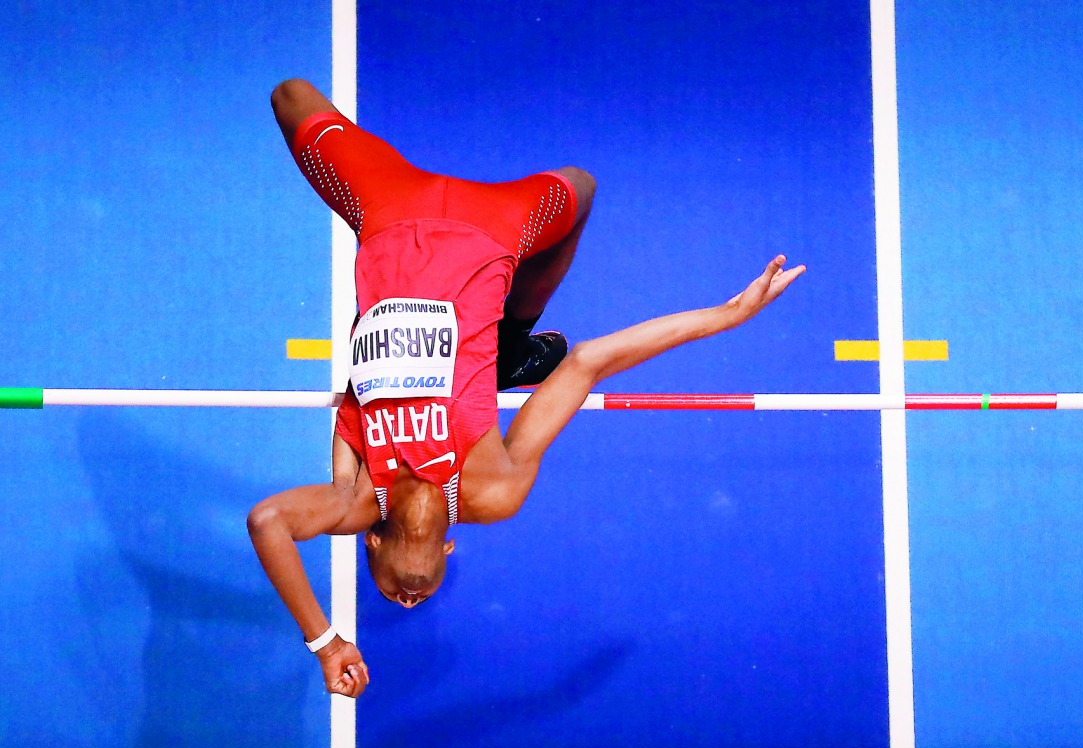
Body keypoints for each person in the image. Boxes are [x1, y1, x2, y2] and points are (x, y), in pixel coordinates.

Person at [248, 79, 806, 698]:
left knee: (577, 185)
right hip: (442, 217)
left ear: (394, 543)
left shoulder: (420, 497)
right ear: (421, 546)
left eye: (394, 591)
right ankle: (509, 350)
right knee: (294, 97)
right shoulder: (428, 496)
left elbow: (588, 361)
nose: (407, 599)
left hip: (443, 214)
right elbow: (587, 362)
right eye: (413, 593)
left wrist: (727, 314)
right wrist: (726, 316)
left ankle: (510, 348)